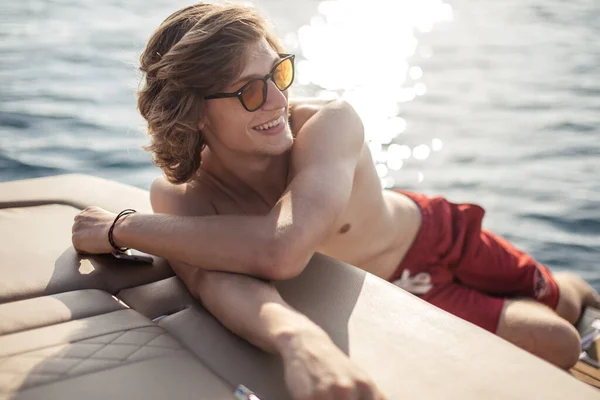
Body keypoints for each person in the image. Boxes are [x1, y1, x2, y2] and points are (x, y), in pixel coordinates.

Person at [72, 2, 599, 398]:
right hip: (394, 296)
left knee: (560, 302)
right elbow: (215, 281)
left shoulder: (326, 121)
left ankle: (571, 287)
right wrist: (300, 341)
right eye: (250, 91)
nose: (279, 100)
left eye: (278, 72)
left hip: (437, 236)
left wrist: (122, 228)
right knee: (556, 344)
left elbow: (283, 249)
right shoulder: (183, 196)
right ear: (195, 112)